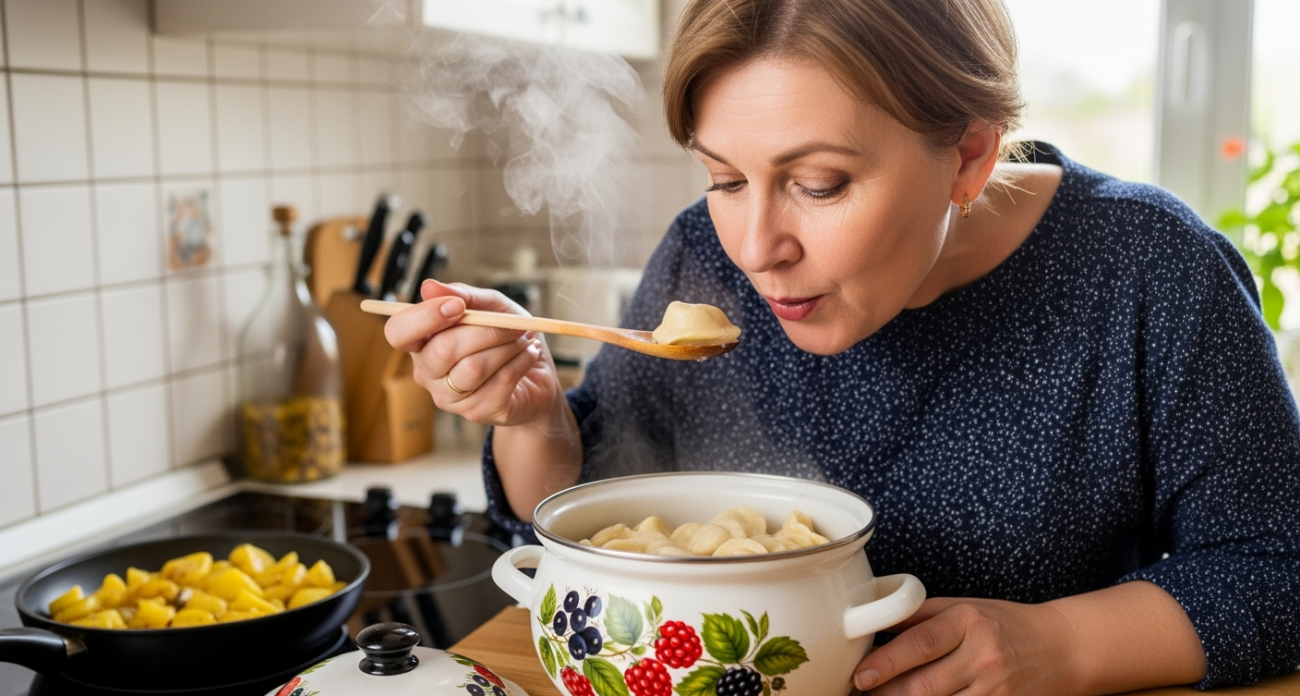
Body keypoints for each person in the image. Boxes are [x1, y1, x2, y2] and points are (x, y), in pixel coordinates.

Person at [383, 0, 1300, 692]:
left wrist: (1058, 644)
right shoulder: (702, 253)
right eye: (725, 177)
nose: (754, 248)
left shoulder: (1152, 272)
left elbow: (1278, 568)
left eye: (818, 184)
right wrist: (530, 413)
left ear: (970, 157)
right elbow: (583, 525)